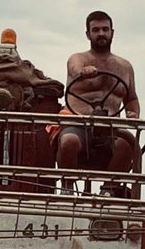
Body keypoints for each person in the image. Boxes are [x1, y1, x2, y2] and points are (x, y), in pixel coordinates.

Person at [52, 10, 140, 186]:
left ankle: (109, 190)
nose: (101, 33)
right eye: (96, 30)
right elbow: (75, 69)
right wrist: (83, 72)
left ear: (112, 33)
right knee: (68, 141)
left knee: (129, 144)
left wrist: (133, 113)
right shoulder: (78, 59)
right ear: (88, 34)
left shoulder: (125, 67)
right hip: (78, 125)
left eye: (105, 29)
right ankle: (68, 189)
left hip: (111, 129)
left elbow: (131, 99)